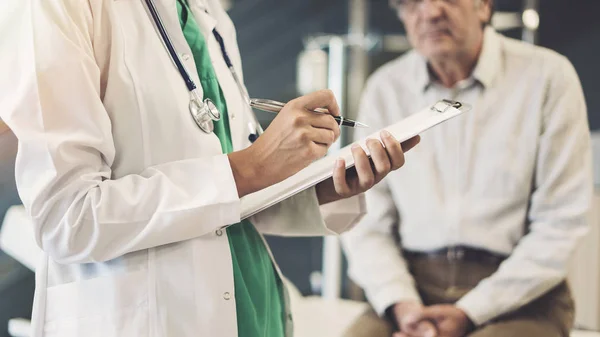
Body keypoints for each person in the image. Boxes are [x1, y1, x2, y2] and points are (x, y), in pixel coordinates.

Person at [0, 1, 420, 337]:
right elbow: (67, 219)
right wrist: (252, 167)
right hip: (152, 318)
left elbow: (231, 195)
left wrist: (323, 187)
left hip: (255, 309)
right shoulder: (50, 7)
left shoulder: (209, 14)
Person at [341, 0, 593, 336]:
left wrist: (470, 312)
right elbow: (367, 223)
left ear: (484, 6)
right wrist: (402, 305)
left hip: (521, 296)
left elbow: (561, 222)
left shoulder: (548, 77)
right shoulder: (385, 89)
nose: (430, 12)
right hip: (412, 288)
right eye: (412, 2)